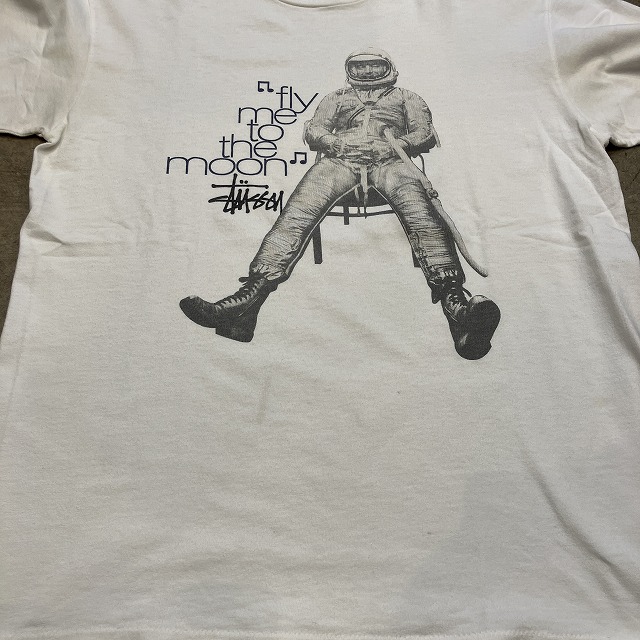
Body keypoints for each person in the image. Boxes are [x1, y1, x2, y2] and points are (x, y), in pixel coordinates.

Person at [180, 47, 501, 359]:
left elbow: (425, 132)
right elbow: (314, 129)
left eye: (374, 65)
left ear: (388, 67)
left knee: (423, 215)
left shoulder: (407, 97)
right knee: (296, 213)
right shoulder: (336, 98)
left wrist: (396, 145)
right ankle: (246, 300)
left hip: (393, 162)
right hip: (339, 161)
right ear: (350, 70)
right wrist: (335, 143)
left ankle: (458, 307)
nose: (367, 71)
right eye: (360, 66)